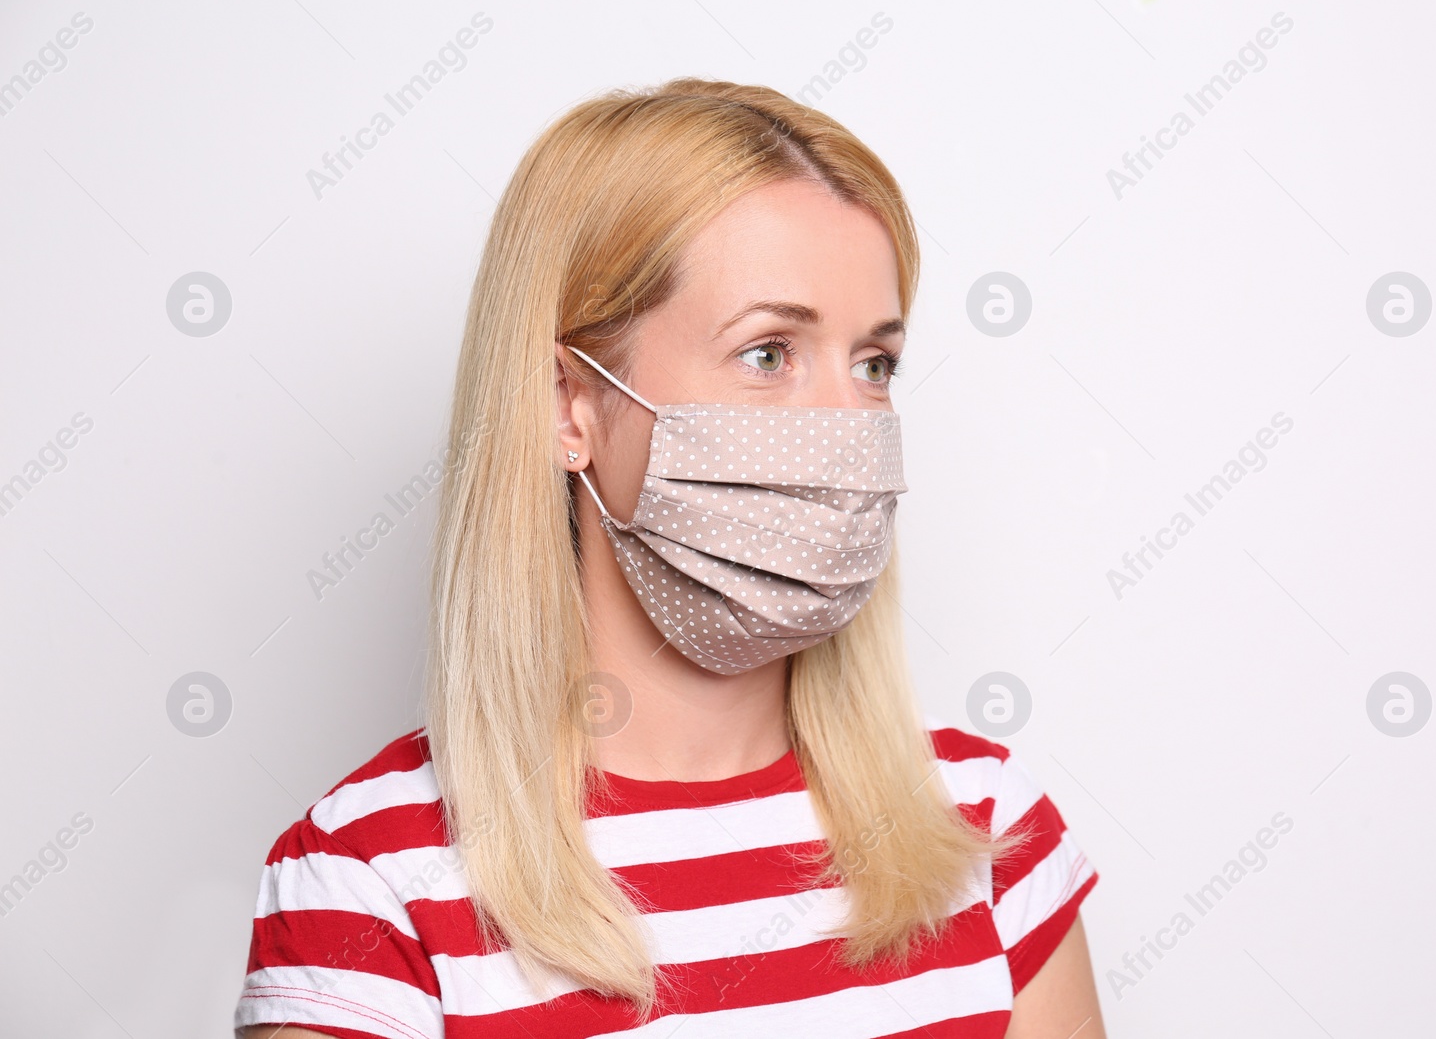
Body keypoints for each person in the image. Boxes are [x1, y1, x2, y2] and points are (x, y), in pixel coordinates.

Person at [235, 77, 1104, 1038]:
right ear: (570, 404)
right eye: (770, 353)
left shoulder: (985, 828)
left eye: (874, 364)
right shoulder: (369, 887)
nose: (846, 428)